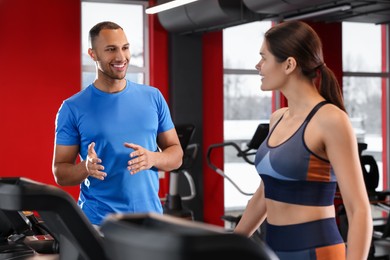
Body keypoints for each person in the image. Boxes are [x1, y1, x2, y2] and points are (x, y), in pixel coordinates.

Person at [234, 21, 372, 260]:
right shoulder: (277, 118)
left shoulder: (330, 120)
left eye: (263, 58)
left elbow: (358, 209)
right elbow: (266, 190)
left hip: (317, 251)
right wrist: (232, 243)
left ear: (289, 64)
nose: (258, 66)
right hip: (273, 250)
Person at [52, 21, 183, 226]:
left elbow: (176, 155)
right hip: (98, 223)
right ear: (93, 54)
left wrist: (153, 158)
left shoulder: (153, 97)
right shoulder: (72, 108)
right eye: (111, 49)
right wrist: (85, 168)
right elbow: (60, 172)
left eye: (125, 47)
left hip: (151, 221)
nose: (121, 57)